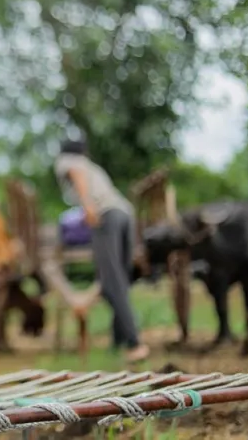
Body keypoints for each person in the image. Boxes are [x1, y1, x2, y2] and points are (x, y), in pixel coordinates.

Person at [53, 137, 150, 363]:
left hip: (106, 215)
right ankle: (118, 342)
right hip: (125, 213)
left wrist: (87, 206)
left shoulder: (67, 161)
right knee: (120, 279)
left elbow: (76, 175)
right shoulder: (92, 166)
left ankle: (135, 344)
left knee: (111, 281)